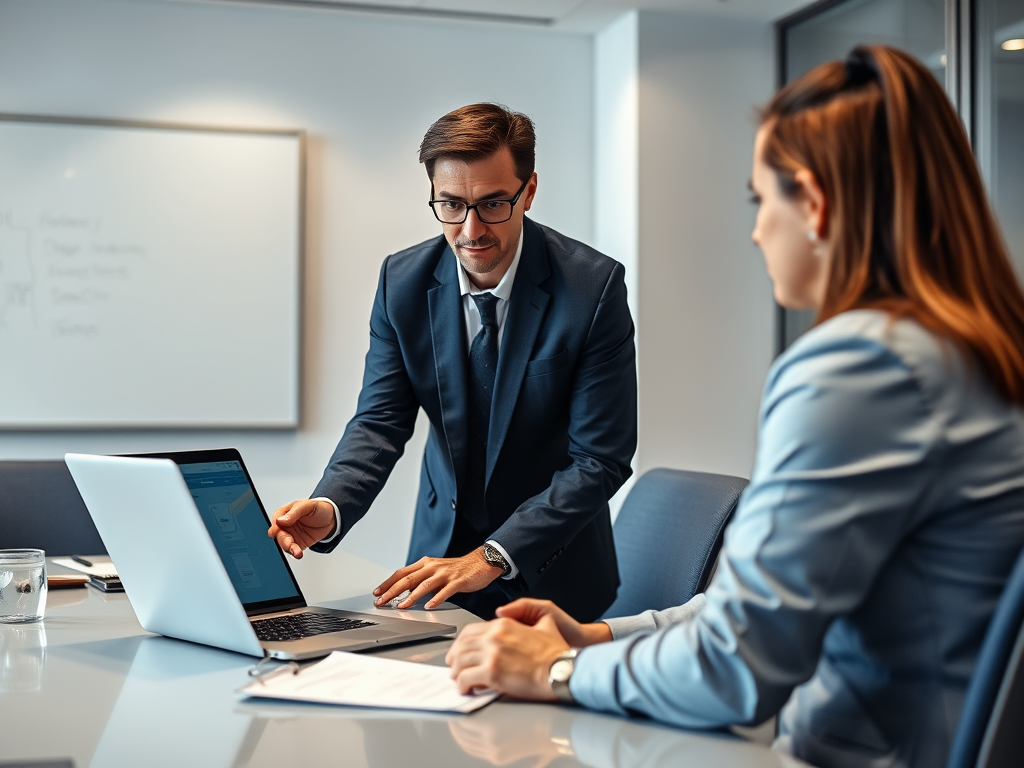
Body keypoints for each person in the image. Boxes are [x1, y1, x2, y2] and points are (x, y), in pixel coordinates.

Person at [446, 46, 1024, 768]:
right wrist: (595, 639)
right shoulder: (978, 357)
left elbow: (736, 668)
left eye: (761, 200)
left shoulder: (856, 370)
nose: (756, 232)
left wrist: (553, 672)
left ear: (812, 203)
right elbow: (756, 609)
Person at [268, 103, 637, 621]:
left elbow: (600, 458)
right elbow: (380, 421)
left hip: (554, 571)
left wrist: (492, 556)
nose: (470, 230)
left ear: (528, 192)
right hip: (437, 567)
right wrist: (330, 507)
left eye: (492, 204)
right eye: (451, 205)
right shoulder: (403, 282)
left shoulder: (592, 290)